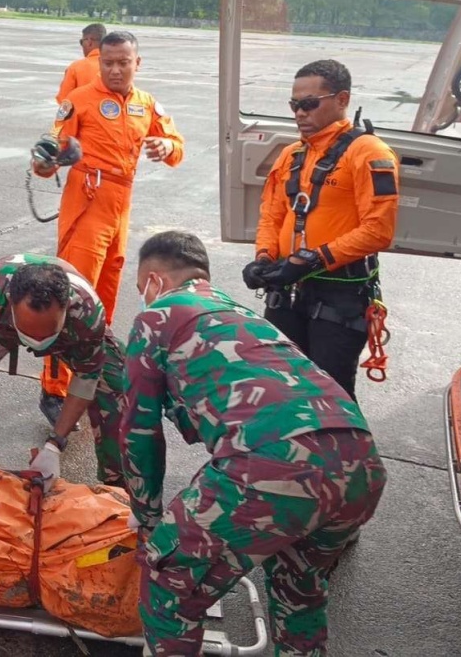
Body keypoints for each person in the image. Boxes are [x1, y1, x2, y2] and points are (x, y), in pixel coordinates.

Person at [122, 231, 387, 657]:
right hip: (360, 464)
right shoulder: (242, 316)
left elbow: (138, 430)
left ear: (154, 280)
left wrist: (146, 515)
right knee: (297, 585)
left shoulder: (159, 316)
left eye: (141, 289)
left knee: (167, 584)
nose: (143, 297)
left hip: (273, 464)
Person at [31, 30, 184, 422]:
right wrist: (47, 162)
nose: (115, 70)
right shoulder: (79, 101)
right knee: (71, 296)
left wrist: (165, 146)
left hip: (120, 206)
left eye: (123, 62)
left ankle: (91, 375)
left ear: (137, 63)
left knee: (105, 298)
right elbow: (46, 158)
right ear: (99, 63)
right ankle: (54, 386)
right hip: (86, 201)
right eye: (108, 62)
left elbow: (175, 146)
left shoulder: (146, 104)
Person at [243, 59, 399, 401]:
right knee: (278, 387)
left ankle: (344, 455)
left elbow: (378, 230)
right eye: (295, 105)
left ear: (342, 99)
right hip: (287, 292)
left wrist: (314, 259)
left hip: (339, 297)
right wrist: (264, 258)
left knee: (330, 396)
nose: (300, 113)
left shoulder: (369, 153)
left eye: (309, 104)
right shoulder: (291, 155)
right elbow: (272, 215)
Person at [0, 253, 127, 488]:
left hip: (67, 333)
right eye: (29, 331)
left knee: (116, 386)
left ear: (67, 306)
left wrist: (54, 445)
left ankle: (118, 483)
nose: (37, 340)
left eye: (46, 332)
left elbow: (85, 379)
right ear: (10, 302)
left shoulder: (86, 313)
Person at [55, 23, 106, 103]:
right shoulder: (115, 67)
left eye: (81, 41)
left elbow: (64, 100)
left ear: (89, 42)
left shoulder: (76, 67)